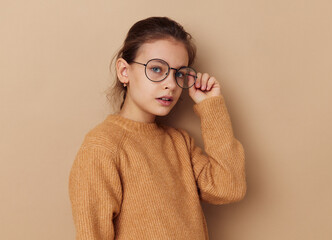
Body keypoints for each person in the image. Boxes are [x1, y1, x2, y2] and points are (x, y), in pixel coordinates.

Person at [68, 16, 246, 240]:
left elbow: (228, 188)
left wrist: (211, 107)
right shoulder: (103, 146)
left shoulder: (180, 142)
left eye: (179, 73)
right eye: (156, 69)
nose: (170, 84)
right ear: (124, 71)